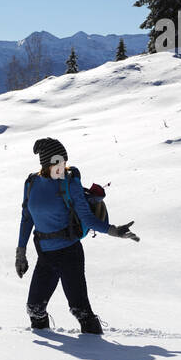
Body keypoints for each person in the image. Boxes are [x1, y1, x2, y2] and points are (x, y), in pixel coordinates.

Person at [15, 137, 138, 334]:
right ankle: (41, 353)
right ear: (47, 163)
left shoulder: (70, 183)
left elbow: (87, 218)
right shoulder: (31, 183)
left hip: (69, 253)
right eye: (59, 162)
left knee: (80, 310)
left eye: (64, 161)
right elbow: (26, 218)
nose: (63, 166)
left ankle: (96, 348)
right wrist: (20, 253)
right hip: (45, 255)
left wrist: (114, 231)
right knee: (35, 309)